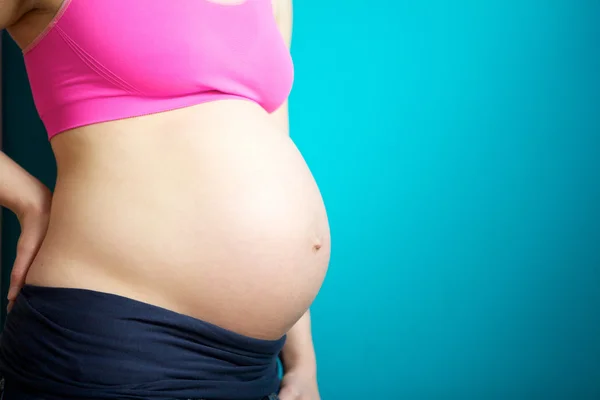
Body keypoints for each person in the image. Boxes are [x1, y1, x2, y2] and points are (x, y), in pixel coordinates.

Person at [0, 0, 330, 399]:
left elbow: (273, 143)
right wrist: (29, 200)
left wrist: (302, 362)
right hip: (120, 339)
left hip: (256, 363)